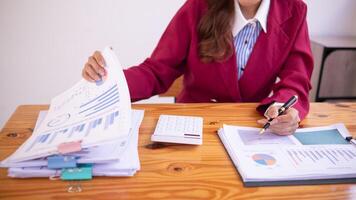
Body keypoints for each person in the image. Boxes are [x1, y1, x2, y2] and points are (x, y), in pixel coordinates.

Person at [82, 0, 313, 135]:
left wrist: (285, 109)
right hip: (192, 125)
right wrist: (110, 80)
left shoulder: (295, 10)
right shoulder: (198, 6)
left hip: (252, 130)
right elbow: (157, 70)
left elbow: (296, 78)